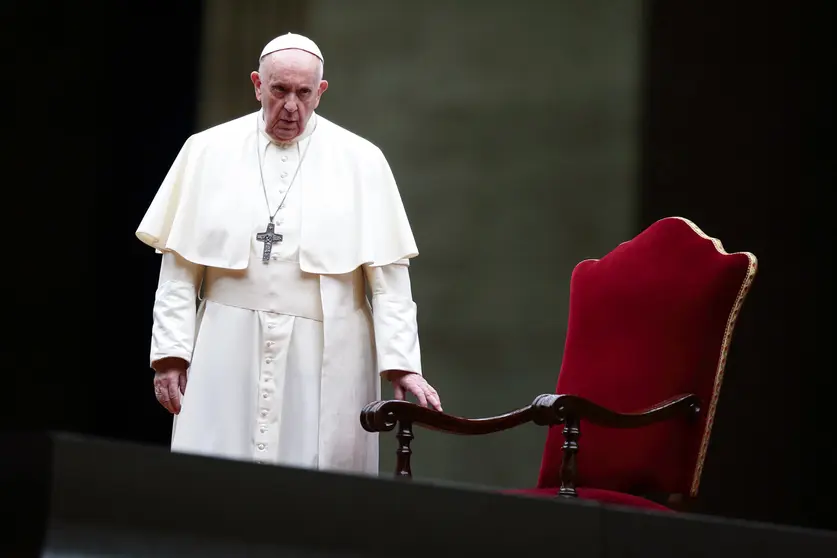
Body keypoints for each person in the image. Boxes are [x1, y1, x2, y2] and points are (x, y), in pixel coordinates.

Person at [136, 33, 441, 476]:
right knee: (215, 475)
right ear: (258, 84)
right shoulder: (206, 150)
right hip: (227, 343)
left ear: (321, 92)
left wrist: (402, 364)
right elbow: (179, 270)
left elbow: (390, 280)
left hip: (326, 347)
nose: (291, 106)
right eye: (279, 91)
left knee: (317, 483)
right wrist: (169, 356)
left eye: (303, 93)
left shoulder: (362, 160)